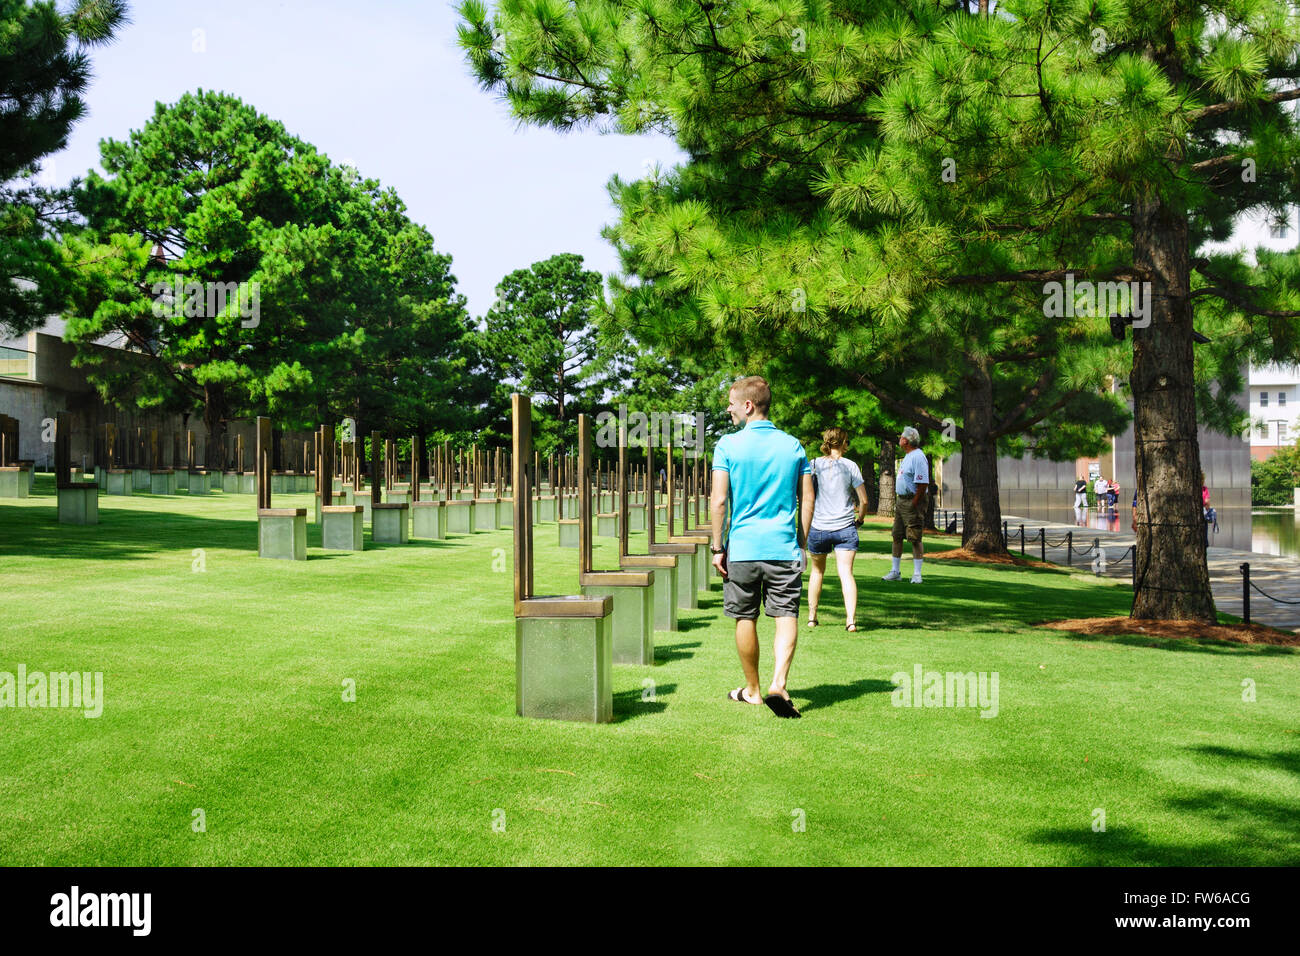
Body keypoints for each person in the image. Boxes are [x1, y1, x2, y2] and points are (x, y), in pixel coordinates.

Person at [710, 376, 813, 719]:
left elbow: (720, 500)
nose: (728, 408)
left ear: (748, 405)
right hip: (783, 547)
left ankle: (752, 690)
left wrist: (717, 546)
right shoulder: (794, 446)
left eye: (731, 402)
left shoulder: (727, 446)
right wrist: (800, 541)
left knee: (744, 616)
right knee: (786, 614)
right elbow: (808, 497)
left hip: (742, 548)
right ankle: (778, 684)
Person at [806, 427, 868, 632]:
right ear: (843, 442)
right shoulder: (851, 466)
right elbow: (864, 501)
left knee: (817, 572)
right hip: (845, 527)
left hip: (819, 526)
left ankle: (812, 617)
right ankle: (850, 620)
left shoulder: (813, 464)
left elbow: (805, 494)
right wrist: (859, 520)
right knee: (846, 574)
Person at [883, 426, 928, 584]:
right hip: (902, 500)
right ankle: (895, 571)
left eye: (902, 437)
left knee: (915, 537)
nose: (900, 439)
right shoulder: (907, 456)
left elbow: (922, 484)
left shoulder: (918, 456)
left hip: (911, 500)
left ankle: (917, 574)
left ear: (907, 440)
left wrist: (915, 503)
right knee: (897, 535)